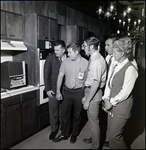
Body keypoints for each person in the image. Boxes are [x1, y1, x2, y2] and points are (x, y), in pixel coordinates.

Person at [103, 37, 138, 149]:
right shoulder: (116, 65)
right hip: (112, 104)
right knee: (112, 134)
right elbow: (109, 83)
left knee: (115, 136)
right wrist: (106, 98)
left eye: (115, 52)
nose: (113, 54)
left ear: (122, 53)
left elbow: (125, 92)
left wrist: (111, 102)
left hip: (121, 107)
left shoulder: (131, 69)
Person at [54, 43, 88, 144]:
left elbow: (88, 80)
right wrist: (58, 91)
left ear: (76, 52)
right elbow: (60, 76)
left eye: (69, 52)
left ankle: (74, 134)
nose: (68, 54)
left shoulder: (86, 63)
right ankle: (64, 133)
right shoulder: (65, 62)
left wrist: (86, 95)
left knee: (77, 114)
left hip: (79, 92)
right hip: (67, 91)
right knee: (64, 114)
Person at [82, 37, 107, 149]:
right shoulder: (94, 58)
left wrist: (87, 100)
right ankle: (94, 139)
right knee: (92, 121)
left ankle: (95, 147)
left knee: (94, 123)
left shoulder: (97, 61)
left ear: (91, 47)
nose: (83, 49)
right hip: (90, 91)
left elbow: (96, 83)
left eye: (84, 46)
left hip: (94, 93)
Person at [44, 39, 67, 140]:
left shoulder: (69, 58)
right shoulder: (50, 58)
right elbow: (46, 75)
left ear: (64, 50)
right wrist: (48, 89)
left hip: (66, 90)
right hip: (53, 90)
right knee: (54, 111)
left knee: (64, 111)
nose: (55, 52)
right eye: (55, 50)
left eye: (57, 50)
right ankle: (54, 130)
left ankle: (63, 129)